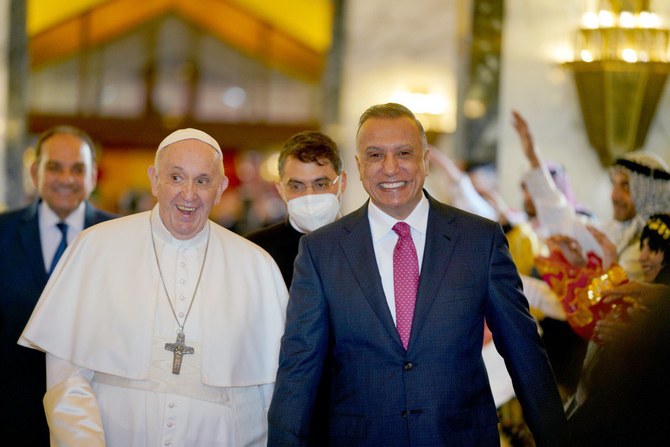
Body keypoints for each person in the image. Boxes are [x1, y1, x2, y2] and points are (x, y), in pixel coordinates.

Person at [267, 103, 570, 446]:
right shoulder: (322, 251)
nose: (390, 168)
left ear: (425, 161)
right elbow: (298, 370)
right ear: (359, 167)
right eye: (376, 155)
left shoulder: (478, 240)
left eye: (404, 153)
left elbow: (524, 352)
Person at [19, 128, 288, 446]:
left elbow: (270, 396)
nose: (188, 194)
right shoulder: (97, 247)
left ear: (221, 188)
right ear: (154, 179)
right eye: (176, 177)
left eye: (202, 180)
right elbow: (67, 380)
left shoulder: (256, 266)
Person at [0, 125, 117, 446]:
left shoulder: (119, 239)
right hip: (11, 413)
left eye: (77, 169)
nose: (66, 179)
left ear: (93, 175)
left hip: (93, 419)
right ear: (36, 171)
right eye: (54, 167)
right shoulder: (2, 233)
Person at [246, 130, 347, 287]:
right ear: (280, 189)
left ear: (342, 182)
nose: (309, 195)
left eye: (320, 184)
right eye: (296, 186)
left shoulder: (366, 244)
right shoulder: (255, 252)